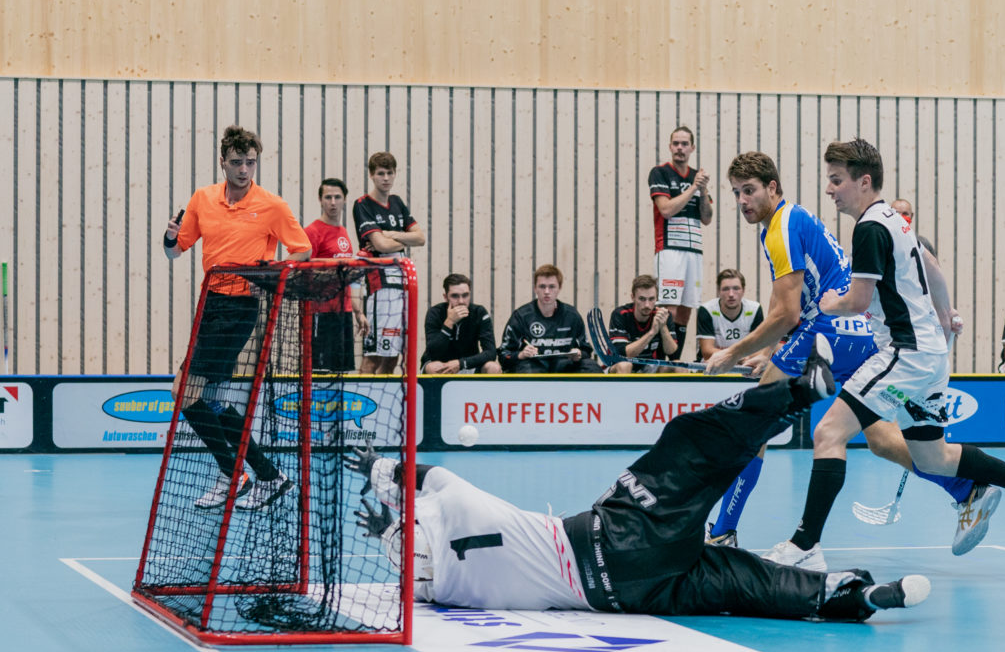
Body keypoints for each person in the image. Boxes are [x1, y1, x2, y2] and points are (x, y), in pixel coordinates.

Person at [347, 337, 931, 622]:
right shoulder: (458, 503)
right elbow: (428, 475)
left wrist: (387, 527)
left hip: (624, 596)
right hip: (615, 534)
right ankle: (799, 391)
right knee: (688, 442)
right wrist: (381, 471)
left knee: (736, 581)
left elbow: (411, 554)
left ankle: (848, 597)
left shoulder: (440, 589)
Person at [703, 152, 980, 563]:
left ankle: (723, 533)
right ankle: (965, 488)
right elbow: (799, 308)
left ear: (773, 189)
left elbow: (787, 313)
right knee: (881, 438)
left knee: (754, 422)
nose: (742, 201)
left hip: (830, 329)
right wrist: (775, 353)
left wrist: (732, 352)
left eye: (750, 191)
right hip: (858, 332)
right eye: (736, 193)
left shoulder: (779, 228)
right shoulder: (791, 220)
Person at [814, 138, 1005, 554]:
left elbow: (859, 301)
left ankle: (802, 546)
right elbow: (933, 269)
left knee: (829, 432)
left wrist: (829, 305)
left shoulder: (867, 227)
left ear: (863, 182)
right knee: (932, 458)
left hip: (904, 354)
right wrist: (944, 312)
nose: (829, 189)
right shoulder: (897, 221)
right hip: (930, 356)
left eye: (836, 180)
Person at [162, 125, 312, 511]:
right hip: (209, 304)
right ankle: (267, 475)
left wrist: (272, 272)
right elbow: (176, 251)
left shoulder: (272, 206)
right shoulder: (203, 199)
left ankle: (234, 475)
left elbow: (302, 250)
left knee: (184, 392)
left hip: (240, 307)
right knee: (207, 398)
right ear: (222, 162)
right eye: (237, 162)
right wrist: (169, 237)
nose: (244, 169)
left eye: (250, 162)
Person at [353, 152, 424, 374]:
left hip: (401, 285)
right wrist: (401, 238)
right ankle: (365, 403)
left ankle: (382, 406)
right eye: (380, 174)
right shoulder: (363, 204)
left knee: (392, 356)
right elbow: (380, 245)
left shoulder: (397, 202)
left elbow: (420, 238)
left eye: (390, 173)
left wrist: (391, 233)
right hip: (379, 287)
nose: (386, 178)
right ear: (372, 176)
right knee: (373, 356)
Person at [649, 126, 713, 359]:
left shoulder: (698, 177)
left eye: (684, 144)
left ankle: (675, 360)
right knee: (668, 309)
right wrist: (694, 188)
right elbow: (665, 210)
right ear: (670, 146)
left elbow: (707, 217)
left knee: (686, 310)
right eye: (676, 143)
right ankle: (660, 359)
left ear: (692, 148)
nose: (680, 148)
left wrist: (703, 190)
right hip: (670, 249)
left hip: (693, 250)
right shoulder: (660, 173)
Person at [304, 178, 369, 372]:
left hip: (344, 311)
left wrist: (358, 312)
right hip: (320, 312)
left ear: (345, 200)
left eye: (337, 197)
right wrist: (335, 268)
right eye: (328, 197)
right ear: (320, 200)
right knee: (319, 372)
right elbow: (304, 268)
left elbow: (347, 279)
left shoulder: (343, 233)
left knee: (343, 371)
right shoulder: (312, 231)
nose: (333, 202)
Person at [498, 264, 602, 374]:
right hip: (531, 367)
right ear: (535, 288)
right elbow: (503, 355)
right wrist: (521, 355)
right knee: (527, 371)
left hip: (564, 366)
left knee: (592, 367)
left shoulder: (572, 316)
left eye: (552, 287)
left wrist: (579, 353)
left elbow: (586, 350)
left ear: (559, 288)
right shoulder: (521, 316)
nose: (547, 291)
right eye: (542, 286)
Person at [421, 273, 501, 374]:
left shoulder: (479, 313)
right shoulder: (435, 313)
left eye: (465, 295)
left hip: (468, 364)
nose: (461, 301)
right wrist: (449, 322)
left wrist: (461, 363)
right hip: (442, 365)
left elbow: (491, 353)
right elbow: (433, 353)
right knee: (433, 367)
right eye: (455, 296)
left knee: (493, 367)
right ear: (446, 297)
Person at [606, 275, 680, 373]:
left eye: (651, 299)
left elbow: (673, 353)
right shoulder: (621, 315)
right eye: (642, 299)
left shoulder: (663, 315)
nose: (647, 305)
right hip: (622, 365)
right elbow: (622, 355)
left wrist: (663, 327)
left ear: (656, 298)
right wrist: (652, 333)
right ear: (633, 297)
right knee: (624, 366)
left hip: (651, 366)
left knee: (679, 366)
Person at [695, 268, 767, 368]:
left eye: (736, 288)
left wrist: (737, 357)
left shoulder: (754, 310)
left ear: (743, 290)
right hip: (712, 365)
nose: (731, 294)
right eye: (725, 289)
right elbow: (707, 352)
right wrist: (737, 356)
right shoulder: (707, 310)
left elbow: (758, 350)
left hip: (743, 364)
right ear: (719, 291)